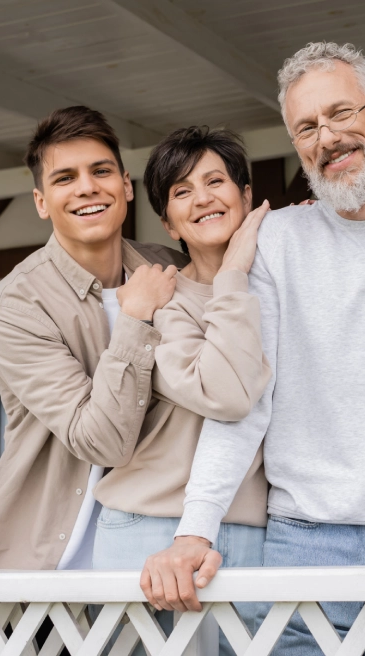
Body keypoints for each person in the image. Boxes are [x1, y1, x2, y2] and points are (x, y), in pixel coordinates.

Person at [141, 42, 365, 654]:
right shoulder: (278, 238)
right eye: (306, 126)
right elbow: (253, 396)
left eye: (341, 113)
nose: (327, 136)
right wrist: (193, 531)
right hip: (303, 539)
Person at [0, 106, 187, 569]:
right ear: (41, 201)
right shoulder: (15, 307)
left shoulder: (171, 268)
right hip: (54, 566)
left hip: (161, 551)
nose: (87, 187)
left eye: (100, 171)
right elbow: (102, 442)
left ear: (126, 185)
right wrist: (135, 317)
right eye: (65, 178)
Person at [92, 127, 272, 650]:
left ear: (244, 195)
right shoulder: (160, 302)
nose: (203, 199)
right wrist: (234, 271)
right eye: (182, 192)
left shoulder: (278, 292)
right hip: (149, 528)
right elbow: (226, 394)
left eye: (216, 181)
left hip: (252, 529)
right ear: (168, 220)